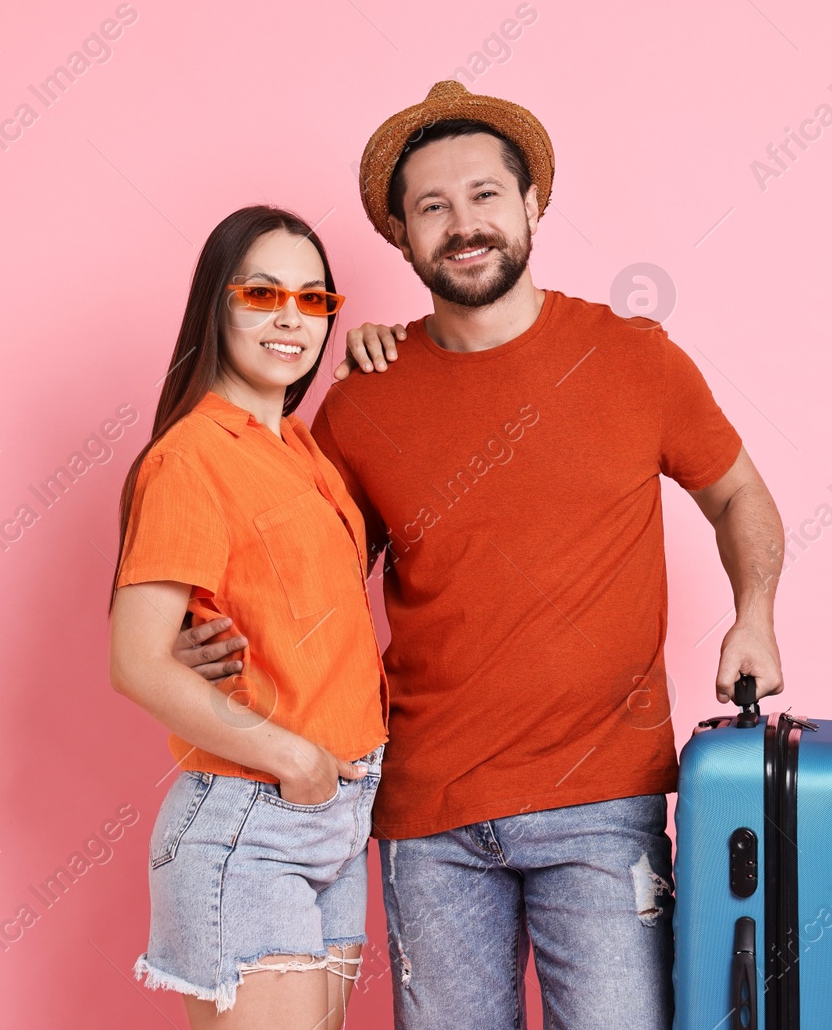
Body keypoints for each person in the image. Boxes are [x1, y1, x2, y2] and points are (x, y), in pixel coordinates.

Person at [317, 82, 787, 1028]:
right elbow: (310, 578)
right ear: (404, 240)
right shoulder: (363, 399)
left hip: (601, 805)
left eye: (486, 195)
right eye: (433, 207)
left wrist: (756, 614)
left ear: (532, 204)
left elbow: (737, 490)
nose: (464, 224)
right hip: (427, 813)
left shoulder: (633, 358)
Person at [107, 205, 389, 1029]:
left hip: (338, 814)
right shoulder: (191, 457)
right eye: (262, 293)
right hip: (253, 818)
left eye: (312, 300)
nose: (289, 318)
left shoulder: (301, 449)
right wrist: (292, 757)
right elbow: (136, 660)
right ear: (216, 304)